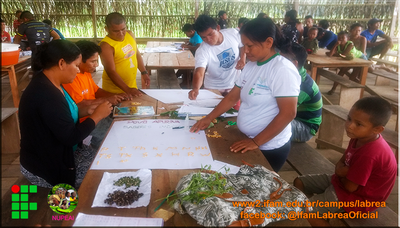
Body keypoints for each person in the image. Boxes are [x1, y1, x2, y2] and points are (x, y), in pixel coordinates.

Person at [190, 18, 301, 172]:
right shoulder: (251, 66)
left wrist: (256, 142)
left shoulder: (282, 69)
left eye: (250, 46)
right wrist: (209, 118)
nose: (245, 51)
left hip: (268, 147)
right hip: (246, 139)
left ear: (269, 42)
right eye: (244, 46)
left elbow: (288, 113)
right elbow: (232, 97)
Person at [19, 40, 113, 188]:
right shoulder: (45, 95)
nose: (78, 70)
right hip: (46, 166)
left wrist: (87, 111)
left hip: (64, 154)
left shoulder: (52, 83)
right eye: (76, 65)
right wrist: (97, 116)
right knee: (104, 175)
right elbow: (71, 137)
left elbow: (62, 117)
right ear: (61, 63)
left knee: (110, 157)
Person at [293, 96, 397, 227]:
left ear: (377, 129)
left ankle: (317, 212)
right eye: (349, 119)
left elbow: (350, 187)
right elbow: (340, 165)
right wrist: (343, 172)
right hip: (342, 183)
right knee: (299, 181)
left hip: (359, 199)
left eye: (358, 124)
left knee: (304, 211)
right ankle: (322, 211)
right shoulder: (359, 136)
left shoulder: (370, 154)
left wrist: (342, 172)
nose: (350, 126)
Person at [62, 40, 127, 150]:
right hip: (86, 120)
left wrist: (117, 96)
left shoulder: (86, 73)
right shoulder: (71, 78)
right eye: (93, 61)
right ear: (80, 60)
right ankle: (98, 153)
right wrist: (107, 100)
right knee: (109, 134)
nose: (96, 65)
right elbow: (80, 105)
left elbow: (96, 91)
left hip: (96, 112)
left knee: (120, 122)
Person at [188, 15, 245, 100]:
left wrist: (242, 59)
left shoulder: (233, 33)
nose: (208, 39)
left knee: (235, 112)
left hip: (235, 84)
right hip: (213, 88)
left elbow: (242, 45)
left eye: (210, 34)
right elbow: (199, 72)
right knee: (211, 112)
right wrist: (196, 88)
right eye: (203, 37)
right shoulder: (202, 50)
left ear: (218, 28)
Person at [100, 12, 150, 98]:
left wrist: (144, 72)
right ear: (106, 29)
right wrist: (127, 89)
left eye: (123, 29)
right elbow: (110, 71)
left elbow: (136, 54)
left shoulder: (129, 34)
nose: (121, 33)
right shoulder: (106, 46)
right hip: (114, 92)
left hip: (131, 87)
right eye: (116, 31)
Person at [280, 43, 322, 142]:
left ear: (294, 63)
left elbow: (284, 113)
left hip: (306, 127)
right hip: (295, 119)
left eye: (282, 59)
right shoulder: (288, 74)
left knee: (268, 122)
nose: (277, 62)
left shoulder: (303, 86)